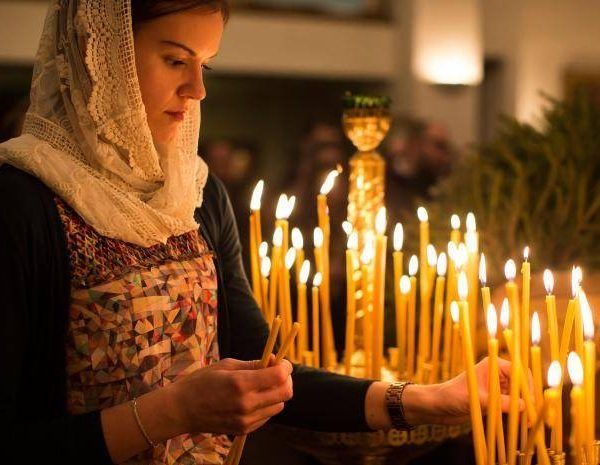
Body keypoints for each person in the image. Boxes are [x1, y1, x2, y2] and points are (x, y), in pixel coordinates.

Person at [0, 1, 518, 464]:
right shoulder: (23, 203)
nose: (197, 89)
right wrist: (169, 412)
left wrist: (425, 398)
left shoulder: (196, 197)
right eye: (176, 60)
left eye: (205, 65)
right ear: (102, 60)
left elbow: (261, 363)